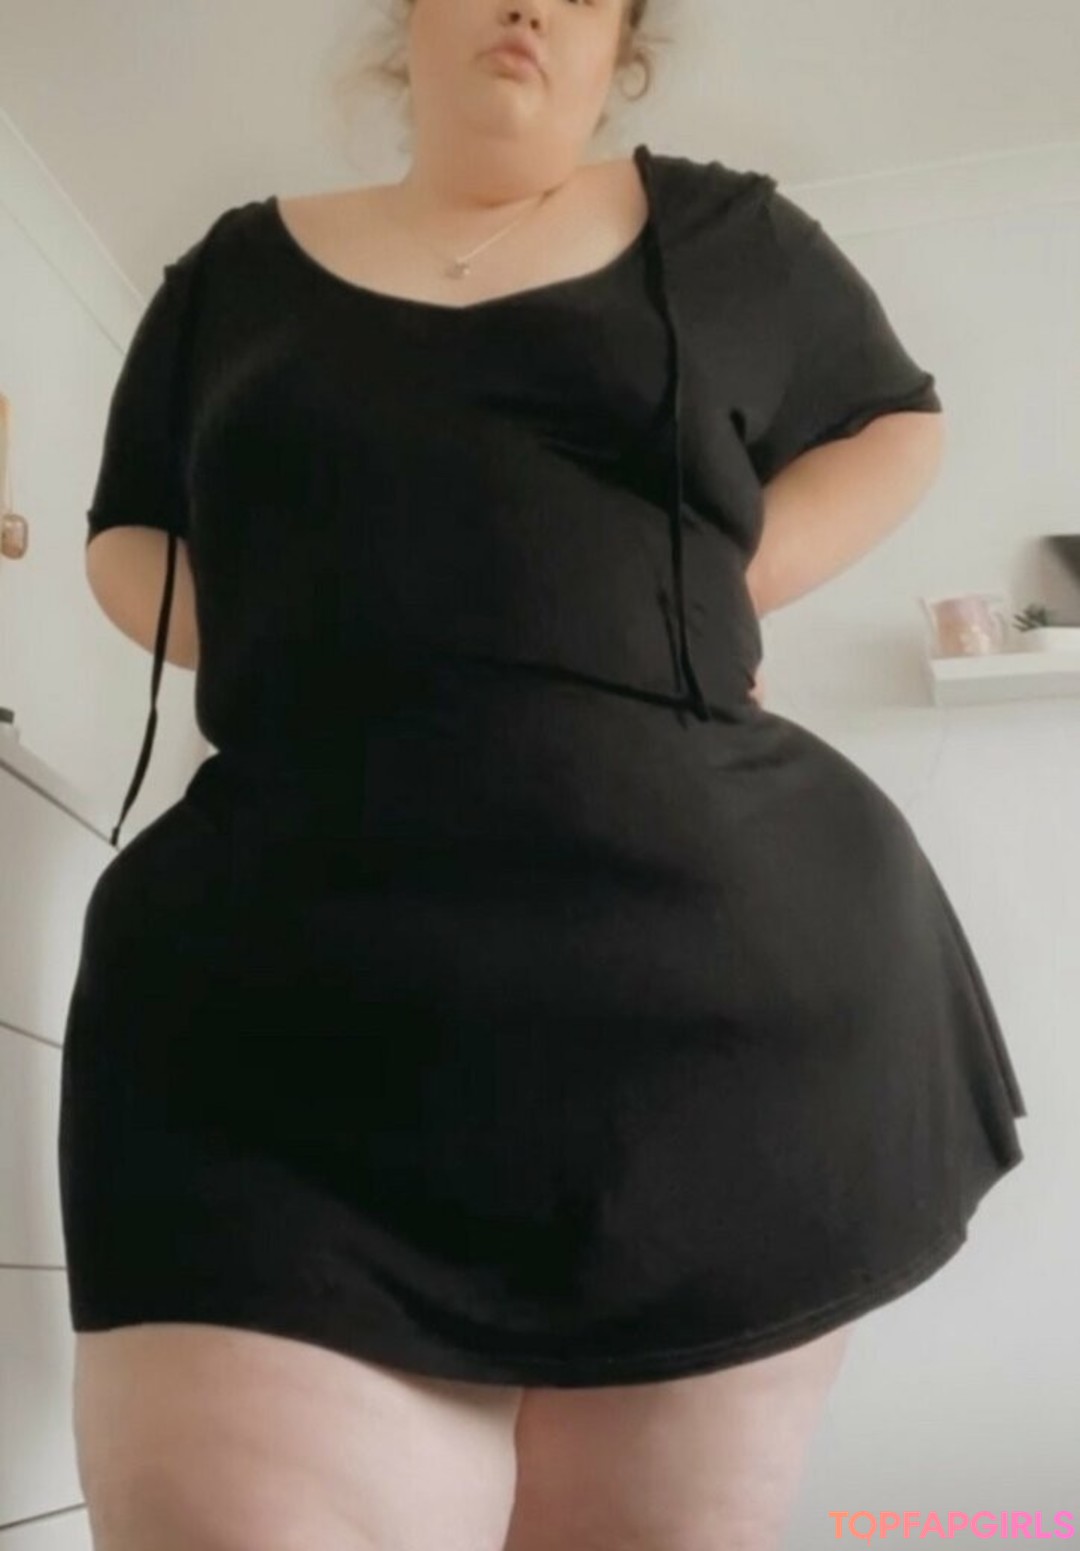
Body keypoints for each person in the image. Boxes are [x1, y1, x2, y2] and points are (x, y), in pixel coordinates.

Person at [60, 1, 1027, 1548]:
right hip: (268, 1031)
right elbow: (129, 534)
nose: (533, 3)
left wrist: (710, 594)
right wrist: (335, 627)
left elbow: (895, 423)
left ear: (622, 42)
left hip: (717, 1035)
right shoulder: (227, 278)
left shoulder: (731, 237)